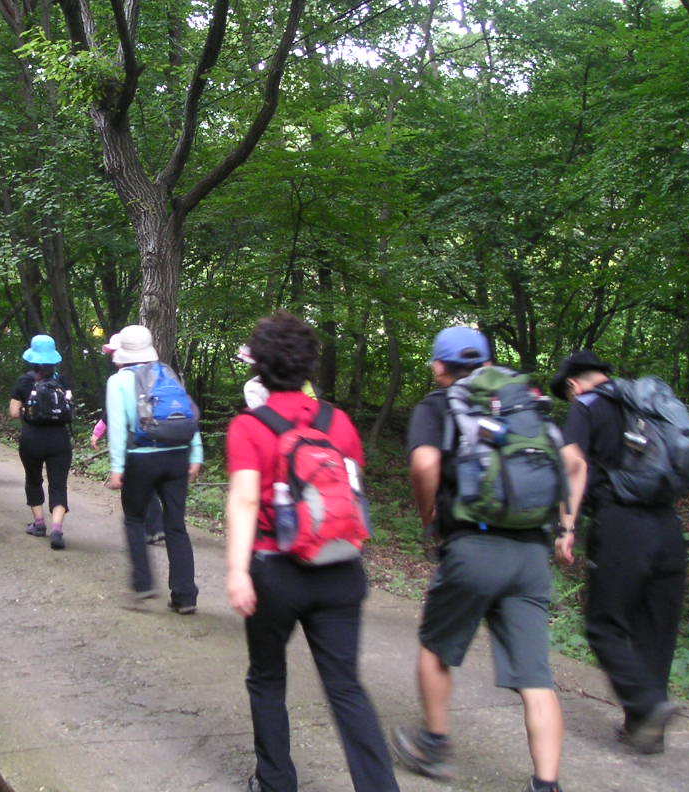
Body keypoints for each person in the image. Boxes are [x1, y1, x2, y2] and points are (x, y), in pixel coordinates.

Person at [394, 326, 582, 792]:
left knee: (436, 648)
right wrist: (566, 523)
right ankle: (547, 783)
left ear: (440, 365)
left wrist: (429, 515)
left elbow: (423, 465)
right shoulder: (526, 401)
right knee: (535, 675)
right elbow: (572, 462)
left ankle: (434, 747)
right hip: (531, 553)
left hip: (473, 547)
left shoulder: (437, 406)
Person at [225, 312, 397, 792]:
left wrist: (238, 572)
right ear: (309, 366)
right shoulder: (337, 421)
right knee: (346, 687)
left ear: (258, 365)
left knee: (266, 677)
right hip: (340, 568)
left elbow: (242, 499)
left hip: (275, 571)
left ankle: (276, 783)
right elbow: (351, 493)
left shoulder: (249, 426)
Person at [551, 350, 684, 755]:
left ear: (574, 383)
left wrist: (566, 527)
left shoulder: (587, 405)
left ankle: (645, 706)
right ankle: (647, 730)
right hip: (669, 526)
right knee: (655, 629)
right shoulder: (649, 405)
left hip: (623, 525)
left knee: (603, 624)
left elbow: (573, 463)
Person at [104, 324, 202, 612]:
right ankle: (185, 596)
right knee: (176, 526)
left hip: (142, 458)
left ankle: (143, 584)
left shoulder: (119, 381)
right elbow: (186, 414)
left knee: (134, 519)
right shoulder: (167, 373)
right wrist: (195, 454)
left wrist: (117, 467)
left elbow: (119, 428)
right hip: (177, 456)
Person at [95, 333, 166, 545]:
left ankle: (145, 530)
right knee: (150, 486)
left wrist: (100, 432)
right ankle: (157, 527)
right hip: (158, 439)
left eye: (113, 352)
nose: (111, 357)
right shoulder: (155, 374)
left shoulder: (121, 379)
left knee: (136, 487)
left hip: (135, 441)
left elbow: (115, 417)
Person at [9, 334, 73, 550]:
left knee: (33, 479)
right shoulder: (62, 380)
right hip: (60, 439)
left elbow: (14, 412)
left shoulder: (24, 381)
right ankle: (57, 528)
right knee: (58, 484)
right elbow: (70, 406)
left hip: (32, 439)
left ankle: (39, 524)